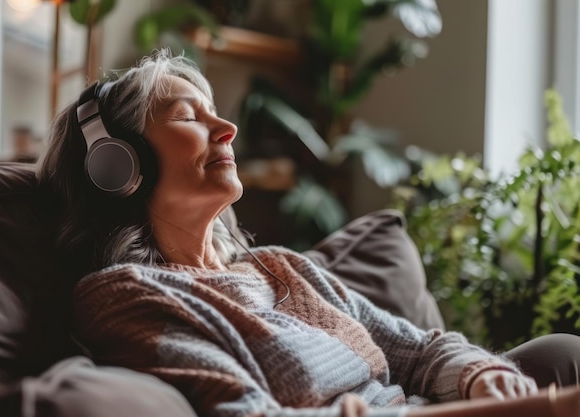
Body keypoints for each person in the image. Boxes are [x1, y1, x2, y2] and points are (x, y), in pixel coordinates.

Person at [35, 49, 578, 417]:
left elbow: (421, 351)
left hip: (426, 408)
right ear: (116, 166)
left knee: (561, 351)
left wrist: (479, 377)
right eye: (186, 116)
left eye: (215, 113)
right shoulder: (129, 296)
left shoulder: (280, 266)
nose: (227, 129)